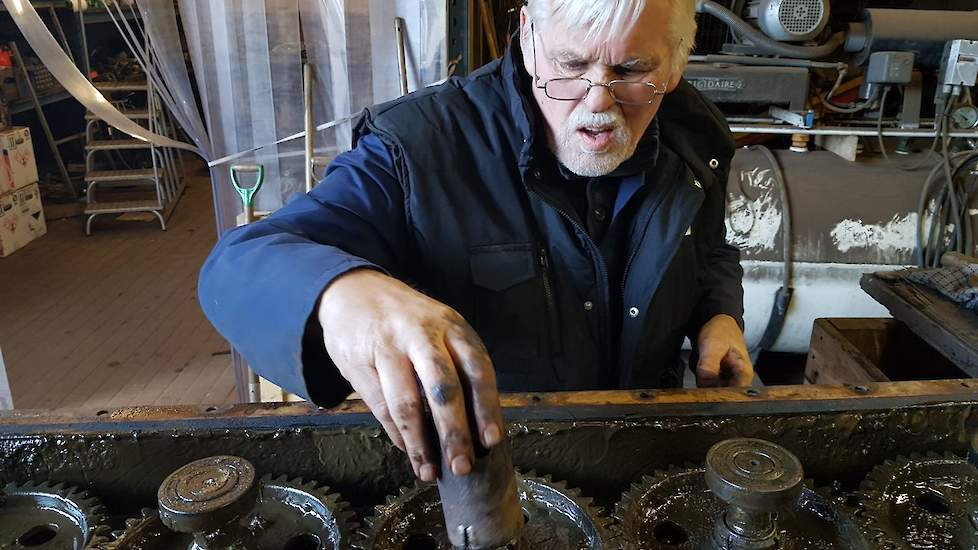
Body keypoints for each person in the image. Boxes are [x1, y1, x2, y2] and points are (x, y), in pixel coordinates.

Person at [199, 0, 752, 484]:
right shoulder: (418, 148)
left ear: (678, 61)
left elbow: (708, 245)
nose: (597, 100)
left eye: (632, 69)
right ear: (529, 38)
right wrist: (342, 292)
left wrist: (718, 313)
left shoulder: (694, 136)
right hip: (488, 473)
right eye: (570, 64)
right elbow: (240, 262)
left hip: (645, 454)